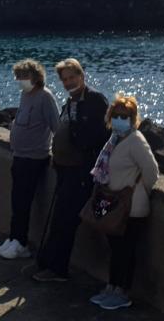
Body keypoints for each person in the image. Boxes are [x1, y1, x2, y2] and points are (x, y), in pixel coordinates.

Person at [34, 57, 110, 283]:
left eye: (72, 77)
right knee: (58, 219)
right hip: (65, 172)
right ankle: (48, 263)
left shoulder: (96, 101)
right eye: (64, 79)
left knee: (66, 221)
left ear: (81, 75)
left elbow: (101, 137)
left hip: (82, 174)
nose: (68, 82)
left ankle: (57, 270)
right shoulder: (69, 103)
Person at [88, 94, 160, 311]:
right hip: (112, 204)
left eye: (125, 116)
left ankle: (122, 291)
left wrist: (138, 190)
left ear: (133, 117)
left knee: (125, 251)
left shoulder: (136, 140)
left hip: (131, 207)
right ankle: (112, 286)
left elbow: (152, 172)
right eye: (117, 115)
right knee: (116, 249)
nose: (120, 119)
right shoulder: (114, 139)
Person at [0, 58, 57, 260]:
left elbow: (56, 126)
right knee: (16, 201)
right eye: (19, 77)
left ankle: (21, 243)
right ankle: (13, 238)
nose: (21, 80)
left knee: (24, 202)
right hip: (19, 156)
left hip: (34, 158)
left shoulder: (45, 97)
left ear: (35, 77)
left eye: (24, 77)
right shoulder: (25, 95)